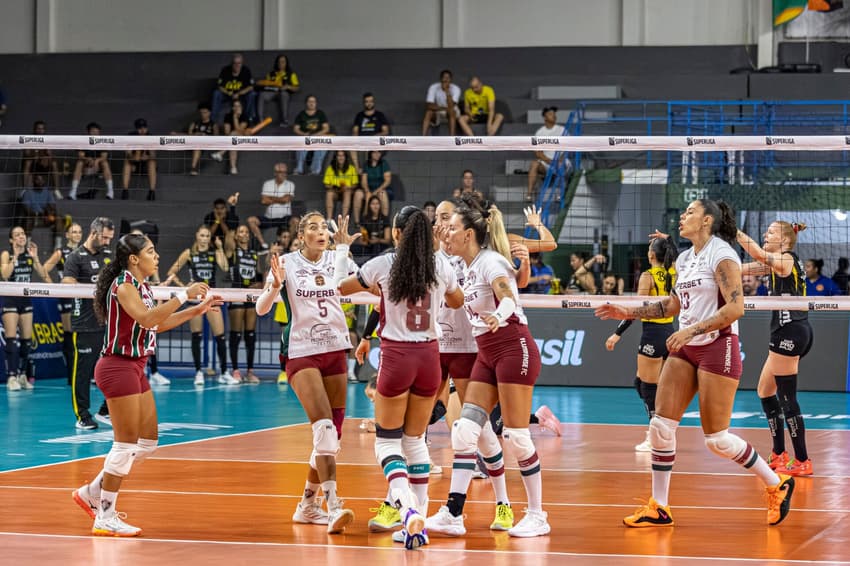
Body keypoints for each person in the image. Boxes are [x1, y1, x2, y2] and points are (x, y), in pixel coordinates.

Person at [595, 199, 795, 528]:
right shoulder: (685, 259)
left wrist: (691, 330)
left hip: (718, 345)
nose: (683, 216)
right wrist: (628, 311)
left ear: (706, 221)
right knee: (660, 427)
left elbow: (735, 309)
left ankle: (777, 483)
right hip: (687, 348)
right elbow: (673, 305)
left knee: (717, 440)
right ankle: (659, 507)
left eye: (690, 212)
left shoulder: (722, 254)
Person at [71, 233, 220, 537]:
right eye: (151, 252)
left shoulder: (143, 287)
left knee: (147, 443)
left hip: (135, 367)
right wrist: (184, 295)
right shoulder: (124, 285)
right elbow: (147, 319)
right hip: (117, 366)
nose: (157, 256)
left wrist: (196, 310)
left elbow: (157, 324)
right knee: (125, 444)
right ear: (134, 259)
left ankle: (92, 491)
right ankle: (105, 515)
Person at [339, 206, 464, 549]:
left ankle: (407, 510)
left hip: (397, 357)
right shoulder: (439, 266)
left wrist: (341, 251)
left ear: (396, 233)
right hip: (429, 357)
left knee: (386, 442)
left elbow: (342, 288)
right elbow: (457, 301)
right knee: (415, 441)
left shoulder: (383, 264)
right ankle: (418, 524)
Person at [425, 197, 550, 538]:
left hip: (513, 348)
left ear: (468, 234)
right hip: (486, 353)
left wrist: (499, 313)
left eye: (452, 227)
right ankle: (453, 513)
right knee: (464, 431)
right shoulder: (466, 266)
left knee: (517, 436)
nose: (446, 232)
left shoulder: (490, 261)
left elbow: (507, 294)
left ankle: (537, 515)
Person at [255, 212, 360, 534]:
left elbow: (360, 285)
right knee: (324, 429)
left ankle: (307, 506)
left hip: (336, 349)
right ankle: (334, 505)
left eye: (324, 227)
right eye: (313, 227)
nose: (321, 232)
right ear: (301, 235)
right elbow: (261, 308)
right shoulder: (286, 263)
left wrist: (344, 250)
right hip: (301, 351)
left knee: (332, 437)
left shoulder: (338, 259)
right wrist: (274, 287)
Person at [737, 222, 814, 477]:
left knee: (787, 398)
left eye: (770, 232)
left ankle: (802, 460)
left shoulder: (786, 259)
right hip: (788, 331)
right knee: (765, 390)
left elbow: (758, 254)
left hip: (790, 331)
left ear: (784, 240)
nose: (765, 235)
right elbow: (742, 267)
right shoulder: (776, 263)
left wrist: (732, 230)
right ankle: (779, 453)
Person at [604, 236, 678, 451]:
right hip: (669, 332)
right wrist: (667, 239)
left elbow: (636, 310)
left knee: (647, 387)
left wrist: (617, 333)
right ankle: (664, 428)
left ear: (651, 255)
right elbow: (674, 255)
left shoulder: (648, 276)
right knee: (644, 384)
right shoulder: (674, 271)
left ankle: (656, 436)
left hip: (652, 334)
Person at [62, 217, 116, 428]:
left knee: (115, 366)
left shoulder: (109, 255)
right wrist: (91, 288)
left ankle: (106, 409)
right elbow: (67, 282)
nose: (107, 242)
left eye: (110, 238)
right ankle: (82, 416)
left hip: (108, 322)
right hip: (84, 323)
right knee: (83, 372)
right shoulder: (76, 257)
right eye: (104, 237)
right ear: (93, 233)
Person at [167, 226, 235, 386]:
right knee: (196, 335)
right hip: (195, 299)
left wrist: (219, 248)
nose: (204, 238)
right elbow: (171, 272)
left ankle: (224, 372)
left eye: (207, 236)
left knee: (220, 335)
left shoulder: (214, 252)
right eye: (202, 235)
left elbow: (225, 267)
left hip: (210, 298)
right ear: (197, 236)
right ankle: (198, 372)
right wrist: (184, 287)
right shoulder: (189, 253)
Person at [2, 227, 50, 391]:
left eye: (22, 234)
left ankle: (22, 375)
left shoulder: (30, 255)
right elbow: (5, 275)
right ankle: (11, 377)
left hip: (26, 300)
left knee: (26, 341)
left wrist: (35, 257)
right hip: (10, 299)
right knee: (11, 340)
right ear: (11, 240)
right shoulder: (6, 254)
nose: (21, 237)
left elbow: (43, 274)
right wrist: (15, 256)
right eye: (17, 235)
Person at [43, 222, 84, 385]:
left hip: (83, 296)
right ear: (67, 235)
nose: (77, 234)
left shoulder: (85, 252)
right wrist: (55, 288)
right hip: (67, 296)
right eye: (74, 232)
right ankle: (71, 376)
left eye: (79, 232)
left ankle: (84, 374)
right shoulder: (61, 252)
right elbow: (44, 269)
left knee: (83, 335)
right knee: (70, 334)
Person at [225, 225, 264, 384]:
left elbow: (259, 274)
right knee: (236, 334)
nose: (244, 234)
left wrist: (259, 284)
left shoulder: (254, 254)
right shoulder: (232, 251)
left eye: (247, 232)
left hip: (250, 295)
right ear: (236, 235)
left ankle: (250, 371)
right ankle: (235, 370)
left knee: (250, 335)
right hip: (236, 293)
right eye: (241, 231)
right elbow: (228, 238)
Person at [247, 164, 294, 249]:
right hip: (269, 218)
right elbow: (264, 201)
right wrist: (281, 198)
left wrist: (271, 198)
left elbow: (286, 200)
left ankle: (290, 245)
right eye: (280, 172)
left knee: (296, 221)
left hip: (285, 218)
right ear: (275, 173)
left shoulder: (290, 184)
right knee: (251, 220)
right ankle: (263, 245)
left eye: (285, 172)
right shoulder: (268, 184)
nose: (283, 174)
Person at [526, 106, 568, 202]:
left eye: (554, 114)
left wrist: (560, 159)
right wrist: (549, 161)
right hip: (547, 163)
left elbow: (568, 148)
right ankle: (529, 195)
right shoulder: (540, 132)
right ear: (545, 117)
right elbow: (537, 152)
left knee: (561, 165)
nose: (553, 116)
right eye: (550, 114)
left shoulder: (562, 130)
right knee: (534, 164)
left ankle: (560, 194)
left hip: (561, 161)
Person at [70, 122, 114, 200]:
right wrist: (87, 159)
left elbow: (104, 157)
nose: (95, 134)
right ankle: (73, 191)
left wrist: (96, 161)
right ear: (88, 132)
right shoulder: (82, 141)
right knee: (80, 162)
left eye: (97, 132)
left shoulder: (103, 141)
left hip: (98, 167)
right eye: (93, 131)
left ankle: (110, 192)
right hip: (86, 166)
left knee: (105, 163)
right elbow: (80, 155)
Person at [256, 54, 300, 127]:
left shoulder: (291, 74)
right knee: (262, 94)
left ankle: (284, 120)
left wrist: (288, 86)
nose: (281, 64)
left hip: (283, 93)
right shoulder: (271, 74)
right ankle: (260, 120)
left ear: (286, 63)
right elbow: (265, 84)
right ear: (276, 63)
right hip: (272, 92)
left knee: (283, 94)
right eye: (279, 62)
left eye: (283, 62)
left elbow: (297, 88)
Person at [211, 53, 256, 123]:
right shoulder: (225, 70)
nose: (237, 65)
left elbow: (251, 87)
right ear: (231, 64)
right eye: (235, 63)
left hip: (241, 95)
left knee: (252, 94)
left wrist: (239, 93)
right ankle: (213, 121)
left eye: (239, 63)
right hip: (228, 94)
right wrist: (228, 93)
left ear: (242, 63)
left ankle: (249, 119)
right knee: (216, 93)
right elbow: (219, 86)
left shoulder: (246, 70)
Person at [22, 120, 62, 198]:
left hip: (43, 164)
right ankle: (24, 190)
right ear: (34, 129)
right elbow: (26, 153)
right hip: (32, 164)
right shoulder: (29, 139)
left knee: (54, 163)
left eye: (42, 129)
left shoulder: (47, 139)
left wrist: (46, 157)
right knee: (27, 162)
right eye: (38, 129)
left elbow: (50, 154)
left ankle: (56, 190)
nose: (40, 131)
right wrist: (36, 156)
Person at [293, 95, 330, 175]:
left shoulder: (320, 114)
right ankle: (299, 169)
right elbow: (296, 129)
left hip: (318, 137)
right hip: (305, 137)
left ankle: (315, 171)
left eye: (313, 101)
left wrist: (316, 135)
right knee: (300, 145)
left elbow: (326, 128)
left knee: (322, 147)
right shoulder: (301, 114)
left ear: (316, 103)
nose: (311, 103)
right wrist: (303, 134)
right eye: (310, 101)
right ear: (306, 103)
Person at [18, 173, 63, 240]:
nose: (40, 182)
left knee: (58, 218)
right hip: (33, 218)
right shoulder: (27, 193)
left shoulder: (48, 192)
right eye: (38, 180)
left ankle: (58, 243)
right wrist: (39, 214)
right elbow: (27, 210)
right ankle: (27, 243)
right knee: (28, 219)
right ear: (33, 181)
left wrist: (49, 212)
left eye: (42, 180)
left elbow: (53, 207)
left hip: (45, 218)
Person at [121, 118, 157, 201]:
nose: (142, 130)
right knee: (126, 162)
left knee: (152, 162)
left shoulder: (150, 137)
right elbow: (128, 153)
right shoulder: (131, 136)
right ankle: (125, 191)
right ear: (136, 129)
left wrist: (147, 157)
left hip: (145, 163)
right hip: (134, 163)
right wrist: (133, 158)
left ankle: (152, 192)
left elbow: (153, 155)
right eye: (140, 128)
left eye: (144, 128)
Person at [355, 151, 393, 224]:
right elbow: (364, 181)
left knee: (383, 194)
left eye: (379, 152)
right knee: (358, 194)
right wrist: (367, 191)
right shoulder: (366, 164)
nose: (377, 154)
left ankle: (384, 221)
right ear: (371, 153)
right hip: (368, 189)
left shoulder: (384, 164)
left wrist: (376, 191)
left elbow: (387, 181)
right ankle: (359, 222)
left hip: (380, 189)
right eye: (375, 152)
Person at [422, 69, 461, 136]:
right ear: (440, 79)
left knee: (451, 111)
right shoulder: (433, 87)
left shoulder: (456, 89)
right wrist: (444, 109)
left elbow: (451, 106)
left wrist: (447, 91)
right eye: (444, 78)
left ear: (451, 79)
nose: (446, 80)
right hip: (440, 110)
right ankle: (423, 138)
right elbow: (429, 105)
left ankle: (452, 138)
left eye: (448, 78)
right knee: (429, 112)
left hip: (453, 111)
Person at [323, 151, 359, 222]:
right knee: (329, 193)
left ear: (345, 157)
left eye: (342, 156)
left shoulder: (351, 168)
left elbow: (355, 184)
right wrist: (333, 187)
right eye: (339, 156)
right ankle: (329, 219)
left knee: (347, 192)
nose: (341, 158)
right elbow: (326, 184)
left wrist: (348, 187)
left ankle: (343, 220)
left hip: (347, 192)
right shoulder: (330, 168)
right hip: (335, 192)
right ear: (336, 157)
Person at [187, 104, 220, 175]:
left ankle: (193, 168)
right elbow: (188, 136)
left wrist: (206, 136)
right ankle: (193, 168)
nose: (203, 114)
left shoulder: (214, 125)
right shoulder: (194, 123)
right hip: (195, 142)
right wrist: (195, 134)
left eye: (205, 112)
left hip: (207, 143)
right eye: (201, 112)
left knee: (198, 146)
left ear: (209, 113)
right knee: (197, 146)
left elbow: (216, 138)